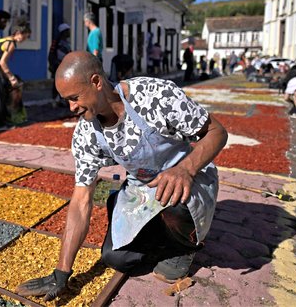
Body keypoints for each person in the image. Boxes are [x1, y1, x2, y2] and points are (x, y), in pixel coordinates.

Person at [16, 51, 227, 300]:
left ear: (96, 82)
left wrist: (186, 169)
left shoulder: (155, 95)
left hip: (188, 178)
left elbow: (217, 132)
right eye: (66, 100)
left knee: (175, 202)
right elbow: (81, 200)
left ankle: (184, 246)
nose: (70, 107)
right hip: (143, 188)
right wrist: (62, 273)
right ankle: (155, 230)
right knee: (115, 258)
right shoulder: (86, 134)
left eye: (74, 98)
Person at [0, 21, 31, 130]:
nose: (25, 39)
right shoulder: (11, 43)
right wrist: (12, 78)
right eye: (25, 36)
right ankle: (0, 123)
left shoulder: (3, 39)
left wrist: (6, 76)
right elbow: (2, 62)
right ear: (18, 33)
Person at [48, 23, 72, 105]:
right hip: (58, 65)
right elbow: (51, 53)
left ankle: (62, 99)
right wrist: (52, 64)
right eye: (67, 31)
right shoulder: (56, 42)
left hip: (66, 66)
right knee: (57, 82)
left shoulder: (67, 42)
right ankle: (54, 99)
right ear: (63, 32)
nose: (69, 33)